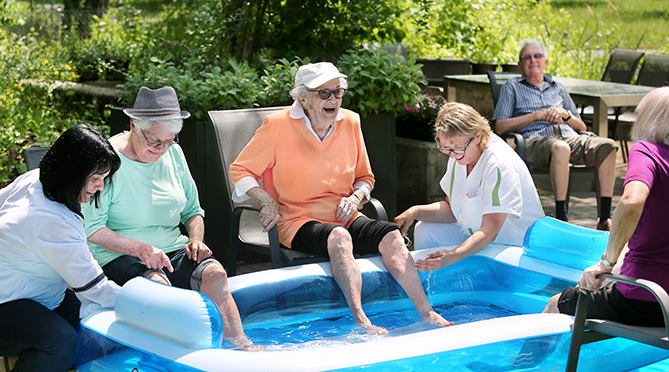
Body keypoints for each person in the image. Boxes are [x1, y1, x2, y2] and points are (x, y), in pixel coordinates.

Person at [229, 62, 452, 334]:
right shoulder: (277, 126)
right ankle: (361, 319)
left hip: (345, 215)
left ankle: (426, 311)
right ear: (303, 98)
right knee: (339, 237)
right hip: (297, 220)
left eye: (338, 92)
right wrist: (265, 200)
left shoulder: (350, 122)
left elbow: (365, 177)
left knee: (392, 234)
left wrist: (357, 196)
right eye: (324, 93)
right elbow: (239, 169)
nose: (333, 99)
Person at [82, 86, 259, 351]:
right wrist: (141, 249)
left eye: (170, 140)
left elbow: (193, 211)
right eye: (155, 141)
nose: (162, 149)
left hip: (170, 249)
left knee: (215, 274)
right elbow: (91, 228)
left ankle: (242, 348)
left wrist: (196, 240)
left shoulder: (174, 153)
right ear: (133, 126)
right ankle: (175, 360)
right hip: (119, 255)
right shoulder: (107, 161)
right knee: (157, 286)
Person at [544, 86, 669, 326]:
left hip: (647, 299)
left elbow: (632, 201)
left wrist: (605, 263)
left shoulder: (648, 151)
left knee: (556, 304)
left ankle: (523, 364)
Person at [0, 124, 122, 372]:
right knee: (65, 345)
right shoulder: (50, 219)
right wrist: (145, 303)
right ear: (72, 171)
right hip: (7, 302)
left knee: (91, 332)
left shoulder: (36, 179)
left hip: (33, 294)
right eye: (95, 178)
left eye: (104, 179)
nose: (100, 187)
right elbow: (95, 289)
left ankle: (13, 362)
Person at [394, 102, 543, 271]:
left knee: (454, 258)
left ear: (478, 136)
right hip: (478, 236)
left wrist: (452, 256)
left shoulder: (499, 164)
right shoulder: (459, 156)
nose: (452, 154)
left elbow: (490, 230)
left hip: (513, 247)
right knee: (424, 228)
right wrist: (416, 211)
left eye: (457, 148)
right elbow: (453, 209)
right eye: (446, 148)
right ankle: (431, 284)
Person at [492, 39, 618, 231]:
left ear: (546, 63)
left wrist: (564, 115)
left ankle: (604, 218)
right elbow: (500, 126)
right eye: (527, 57)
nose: (533, 61)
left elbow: (580, 124)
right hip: (535, 141)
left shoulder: (557, 87)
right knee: (561, 147)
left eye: (538, 56)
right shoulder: (513, 87)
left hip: (568, 136)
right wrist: (536, 115)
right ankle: (562, 218)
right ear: (520, 64)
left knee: (608, 145)